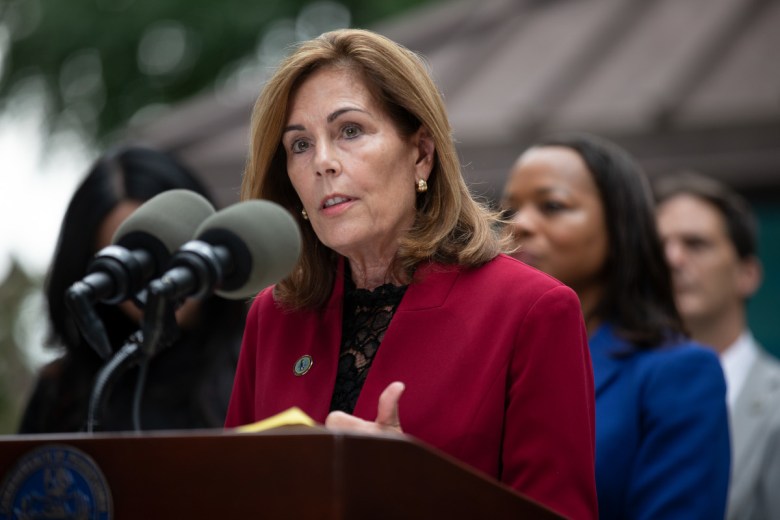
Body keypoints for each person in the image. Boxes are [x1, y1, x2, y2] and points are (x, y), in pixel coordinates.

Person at [224, 29, 597, 519]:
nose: (323, 162)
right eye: (299, 144)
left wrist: (411, 490)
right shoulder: (273, 316)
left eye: (350, 131)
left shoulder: (532, 310)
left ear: (421, 153)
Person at [501, 132, 730, 519]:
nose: (520, 224)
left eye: (552, 206)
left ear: (619, 223)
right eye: (508, 211)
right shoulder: (492, 358)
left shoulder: (678, 372)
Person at [19, 146, 248, 433]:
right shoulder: (63, 394)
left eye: (173, 248)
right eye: (134, 263)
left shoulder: (262, 357)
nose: (161, 278)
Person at [655, 171, 780, 520]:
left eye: (695, 244)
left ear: (747, 274)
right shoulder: (613, 395)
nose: (672, 259)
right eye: (658, 246)